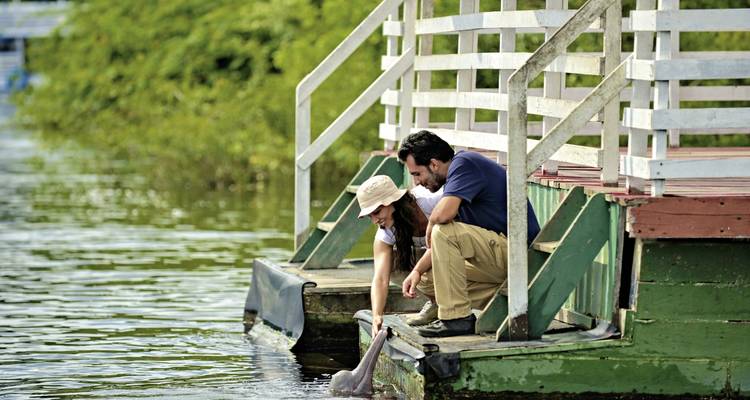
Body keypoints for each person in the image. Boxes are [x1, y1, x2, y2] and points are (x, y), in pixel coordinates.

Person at [398, 130, 541, 337]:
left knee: (444, 231)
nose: (417, 182)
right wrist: (417, 271)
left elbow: (444, 222)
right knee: (426, 280)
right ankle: (506, 300)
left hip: (520, 255)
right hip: (498, 260)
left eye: (417, 174)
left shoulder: (465, 163)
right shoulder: (456, 185)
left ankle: (456, 318)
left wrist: (431, 222)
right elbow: (442, 244)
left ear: (434, 164)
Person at [355, 175, 443, 337]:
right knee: (407, 271)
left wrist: (418, 270)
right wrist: (377, 315)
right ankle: (436, 302)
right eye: (370, 216)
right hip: (437, 257)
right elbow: (380, 278)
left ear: (392, 202)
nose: (374, 220)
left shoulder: (430, 201)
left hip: (459, 249)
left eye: (377, 212)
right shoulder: (385, 231)